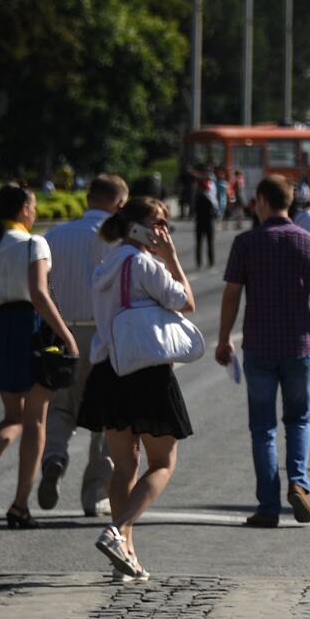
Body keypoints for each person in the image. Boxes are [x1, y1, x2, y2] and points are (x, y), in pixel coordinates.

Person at [78, 197, 195, 580]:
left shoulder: (107, 262)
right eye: (158, 222)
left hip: (110, 370)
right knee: (163, 463)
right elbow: (186, 301)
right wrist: (172, 257)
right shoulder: (145, 263)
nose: (163, 230)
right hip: (146, 371)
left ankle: (125, 553)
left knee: (124, 464)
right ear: (139, 226)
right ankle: (118, 531)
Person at [216, 175, 310, 528]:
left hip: (259, 346)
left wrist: (224, 338)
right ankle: (299, 483)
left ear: (263, 202)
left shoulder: (246, 243)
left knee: (263, 428)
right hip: (300, 347)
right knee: (299, 419)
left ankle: (268, 507)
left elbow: (232, 294)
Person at [0, 184, 81, 528]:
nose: (34, 211)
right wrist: (66, 335)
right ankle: (19, 506)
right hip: (29, 329)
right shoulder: (34, 243)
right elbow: (40, 295)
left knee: (12, 416)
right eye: (32, 205)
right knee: (36, 420)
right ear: (23, 210)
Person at [38, 174, 127, 517]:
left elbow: (41, 286)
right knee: (107, 418)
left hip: (63, 333)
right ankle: (94, 494)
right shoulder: (120, 240)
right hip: (105, 336)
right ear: (119, 204)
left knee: (62, 408)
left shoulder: (56, 235)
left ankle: (55, 458)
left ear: (88, 198)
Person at [193, 177, 219, 269]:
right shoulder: (210, 199)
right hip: (208, 223)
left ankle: (199, 262)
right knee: (209, 243)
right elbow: (214, 212)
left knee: (199, 243)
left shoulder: (197, 198)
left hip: (199, 223)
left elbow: (194, 210)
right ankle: (211, 261)